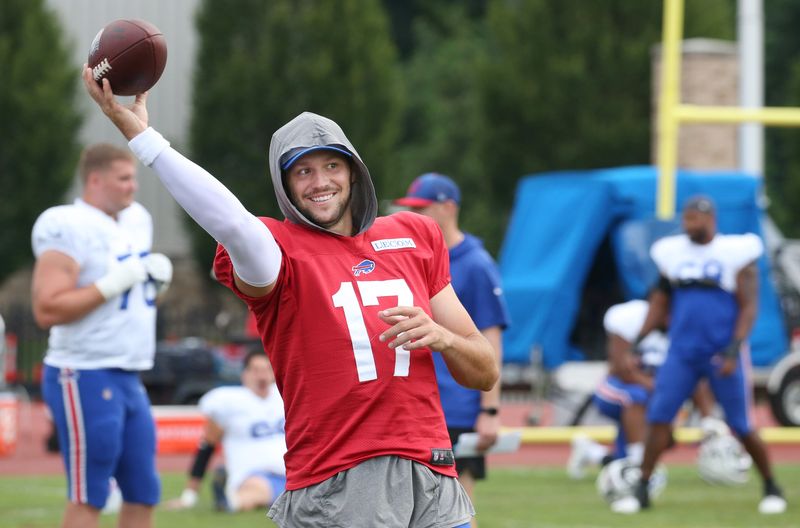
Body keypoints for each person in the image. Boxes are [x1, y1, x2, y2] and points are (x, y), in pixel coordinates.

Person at [83, 67, 498, 528]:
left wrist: (444, 338)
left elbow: (483, 369)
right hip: (342, 477)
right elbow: (231, 223)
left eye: (331, 166)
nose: (319, 181)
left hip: (434, 471)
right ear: (285, 184)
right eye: (303, 170)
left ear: (354, 171)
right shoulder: (277, 250)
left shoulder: (414, 233)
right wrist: (143, 137)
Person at [31, 143, 172, 528]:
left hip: (129, 372)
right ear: (96, 180)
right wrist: (111, 285)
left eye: (134, 178)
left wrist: (153, 288)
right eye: (124, 178)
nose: (133, 187)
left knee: (144, 490)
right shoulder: (67, 224)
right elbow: (47, 309)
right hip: (83, 370)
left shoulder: (137, 220)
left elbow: (128, 308)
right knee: (90, 492)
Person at [622, 195, 787, 514]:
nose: (688, 225)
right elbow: (660, 302)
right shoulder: (673, 255)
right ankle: (641, 488)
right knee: (658, 418)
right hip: (682, 351)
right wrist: (638, 341)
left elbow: (748, 306)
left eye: (694, 219)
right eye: (685, 219)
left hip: (719, 351)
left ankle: (771, 486)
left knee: (741, 424)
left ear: (710, 219)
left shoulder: (734, 254)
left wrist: (733, 348)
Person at [393, 173, 509, 528]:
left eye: (422, 208)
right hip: (418, 402)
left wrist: (490, 409)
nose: (414, 216)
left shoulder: (475, 263)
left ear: (447, 208)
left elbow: (490, 339)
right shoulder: (410, 256)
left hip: (459, 405)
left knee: (456, 507)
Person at [567, 298, 716, 485]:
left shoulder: (685, 329)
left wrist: (708, 420)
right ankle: (639, 466)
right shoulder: (629, 317)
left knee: (661, 440)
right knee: (637, 397)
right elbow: (621, 369)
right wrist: (662, 389)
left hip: (651, 396)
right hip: (616, 388)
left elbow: (695, 379)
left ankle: (592, 452)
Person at [165, 349, 286, 512]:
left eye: (266, 369)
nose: (262, 376)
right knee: (260, 490)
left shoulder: (284, 397)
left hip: (292, 472)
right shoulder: (229, 401)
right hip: (254, 475)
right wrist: (189, 497)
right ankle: (231, 502)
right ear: (245, 374)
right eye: (256, 370)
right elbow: (206, 447)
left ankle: (232, 502)